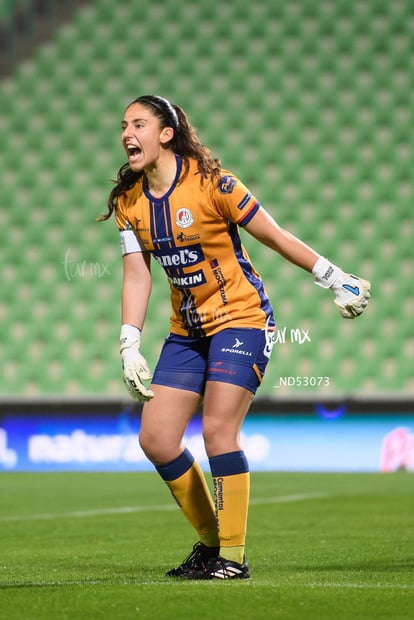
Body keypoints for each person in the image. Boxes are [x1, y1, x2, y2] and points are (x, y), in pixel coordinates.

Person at [99, 94, 370, 580]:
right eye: (123, 125)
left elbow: (275, 235)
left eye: (138, 123)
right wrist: (128, 342)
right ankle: (209, 546)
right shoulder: (129, 202)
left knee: (218, 430)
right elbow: (137, 275)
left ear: (165, 134)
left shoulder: (211, 185)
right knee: (157, 439)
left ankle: (233, 556)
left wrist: (335, 278)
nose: (126, 133)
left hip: (241, 319)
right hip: (186, 333)